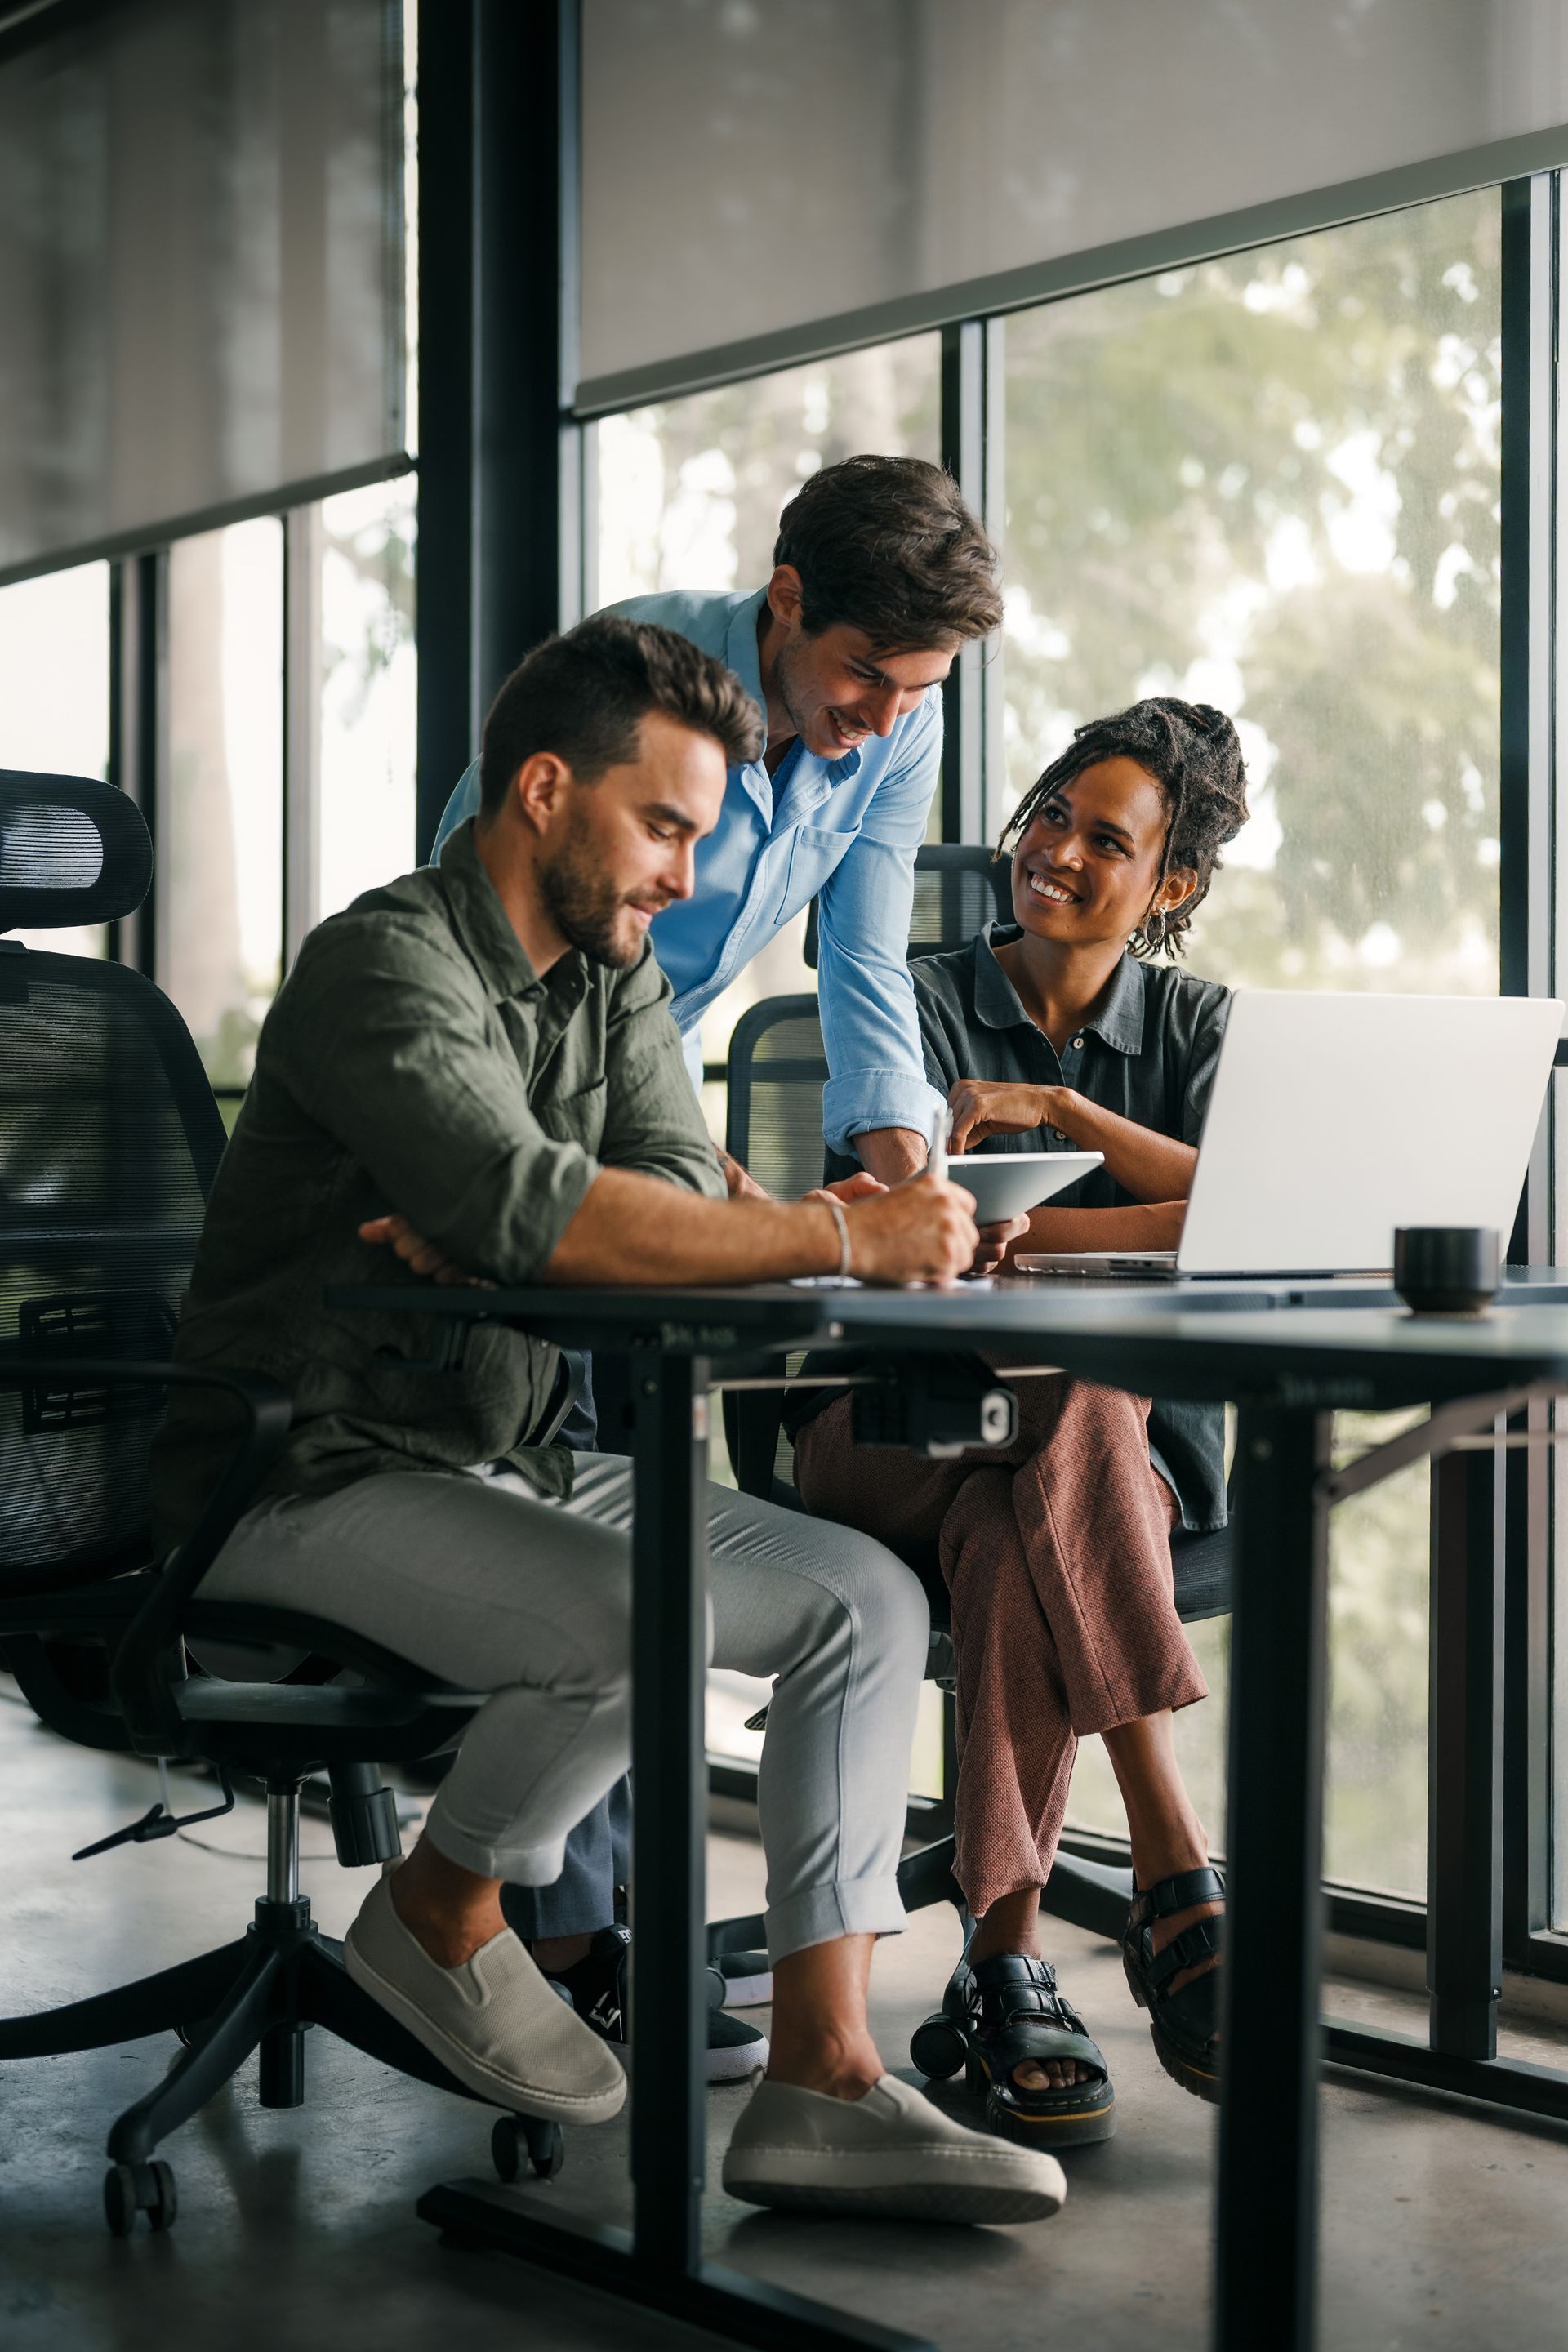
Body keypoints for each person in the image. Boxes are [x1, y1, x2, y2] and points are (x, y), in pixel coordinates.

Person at [149, 616, 1066, 2225]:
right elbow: (543, 1210)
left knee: (869, 1598)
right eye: (663, 828)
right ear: (546, 789)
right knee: (648, 1621)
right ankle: (438, 1908)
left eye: (704, 837)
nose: (688, 878)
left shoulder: (616, 972)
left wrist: (561, 1209)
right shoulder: (386, 962)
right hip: (307, 1469)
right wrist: (818, 1231)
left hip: (515, 1448)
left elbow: (646, 1182)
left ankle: (823, 2079)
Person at [423, 452, 1009, 2072]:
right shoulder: (627, 688)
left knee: (654, 1508)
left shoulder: (901, 725)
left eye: (919, 690)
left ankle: (601, 1933)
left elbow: (866, 952)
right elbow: (482, 937)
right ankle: (573, 1939)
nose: (885, 716)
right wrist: (657, 1161)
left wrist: (901, 1162)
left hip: (648, 1085)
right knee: (588, 1517)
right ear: (788, 601)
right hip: (521, 1093)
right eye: (862, 676)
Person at [789, 698, 1250, 2148]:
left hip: (1108, 1470)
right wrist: (1127, 1226)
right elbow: (912, 1223)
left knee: (1021, 1520)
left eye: (1102, 841)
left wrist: (1065, 1116)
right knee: (1068, 1396)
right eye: (1049, 812)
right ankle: (1174, 1855)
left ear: (1170, 886)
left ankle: (1003, 1962)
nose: (1050, 851)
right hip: (888, 1429)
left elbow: (1248, 1199)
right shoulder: (907, 993)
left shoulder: (1194, 1023)